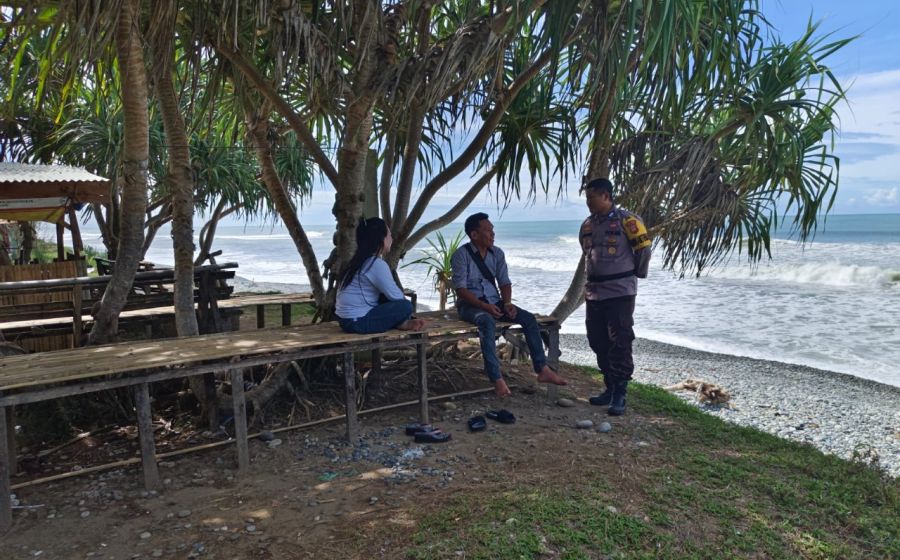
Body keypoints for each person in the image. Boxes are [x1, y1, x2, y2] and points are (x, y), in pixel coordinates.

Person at [451, 212, 567, 397]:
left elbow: (504, 282)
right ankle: (496, 378)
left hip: (495, 303)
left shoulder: (497, 253)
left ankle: (542, 369)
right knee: (487, 322)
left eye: (493, 230)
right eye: (487, 230)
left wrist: (507, 303)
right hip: (471, 306)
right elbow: (461, 290)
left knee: (528, 319)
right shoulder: (461, 255)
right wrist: (484, 306)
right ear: (474, 235)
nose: (492, 234)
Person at [580, 178, 651, 415]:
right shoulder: (587, 225)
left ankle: (620, 392)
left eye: (591, 197)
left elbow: (643, 249)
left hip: (620, 291)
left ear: (606, 196)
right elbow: (586, 253)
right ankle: (609, 387)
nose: (588, 202)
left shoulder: (627, 220)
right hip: (594, 292)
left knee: (620, 341)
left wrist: (634, 274)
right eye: (587, 198)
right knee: (597, 340)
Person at [335, 217, 425, 334]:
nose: (391, 238)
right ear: (381, 238)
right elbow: (396, 296)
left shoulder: (358, 261)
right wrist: (404, 313)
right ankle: (402, 322)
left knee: (385, 297)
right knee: (406, 306)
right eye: (389, 235)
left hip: (345, 320)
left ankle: (402, 323)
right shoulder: (375, 264)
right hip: (356, 321)